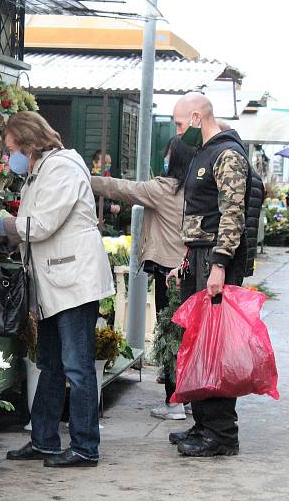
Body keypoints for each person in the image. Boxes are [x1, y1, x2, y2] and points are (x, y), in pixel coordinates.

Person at [0, 111, 114, 467]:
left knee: (77, 367)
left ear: (30, 144)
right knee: (48, 364)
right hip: (54, 282)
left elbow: (42, 224)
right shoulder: (39, 171)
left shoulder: (62, 167)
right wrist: (3, 231)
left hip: (74, 282)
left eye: (12, 148)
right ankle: (45, 440)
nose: (9, 157)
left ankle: (84, 447)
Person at [167, 92, 252, 458]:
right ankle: (203, 424)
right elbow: (200, 214)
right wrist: (185, 259)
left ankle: (221, 434)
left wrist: (219, 264)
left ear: (198, 117)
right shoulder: (205, 152)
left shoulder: (227, 154)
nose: (177, 130)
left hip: (216, 263)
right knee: (199, 342)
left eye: (180, 123)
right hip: (199, 258)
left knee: (215, 346)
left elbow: (232, 214)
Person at [91, 137, 195, 420]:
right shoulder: (195, 189)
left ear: (173, 160)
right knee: (186, 338)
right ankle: (185, 399)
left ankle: (174, 404)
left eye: (168, 155)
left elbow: (122, 189)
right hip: (189, 269)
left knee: (171, 338)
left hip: (167, 271)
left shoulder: (163, 188)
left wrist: (84, 178)